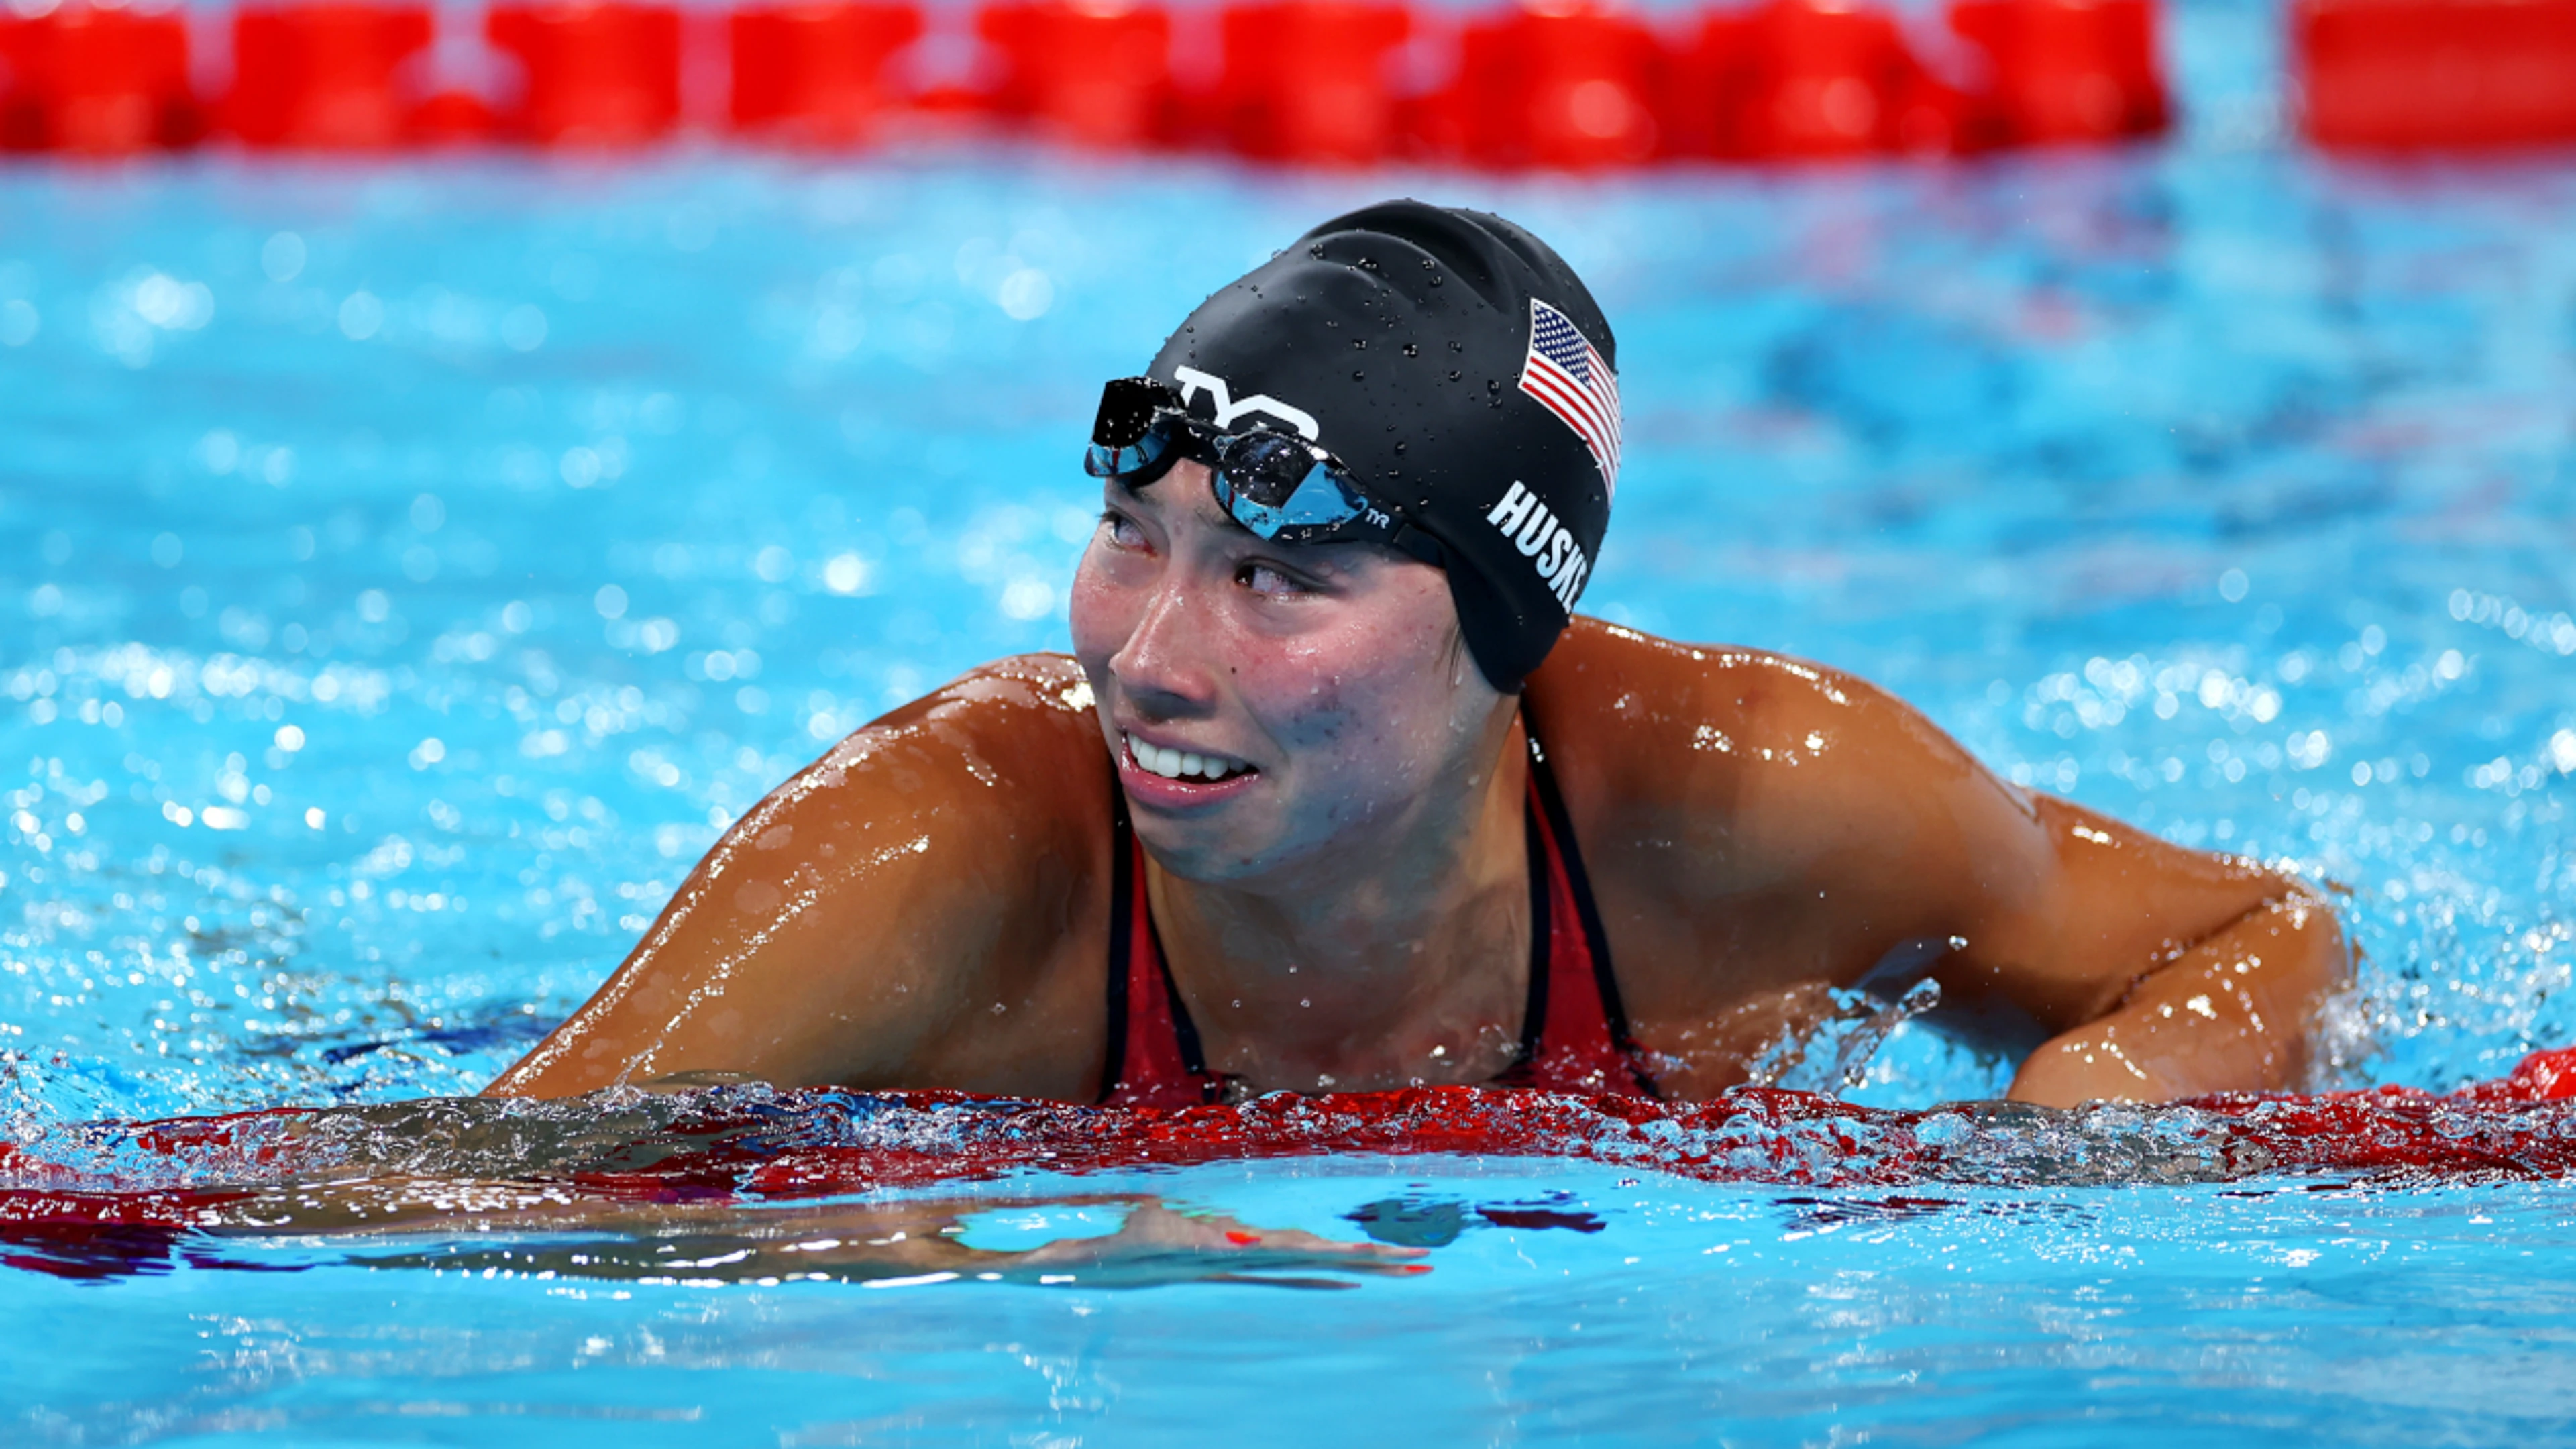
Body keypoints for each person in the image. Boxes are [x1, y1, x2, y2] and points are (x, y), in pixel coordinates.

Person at [486, 200, 2349, 1112]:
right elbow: (422, 1196)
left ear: (1507, 635)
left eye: (1275, 582)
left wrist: (2085, 1122)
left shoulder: (1759, 802)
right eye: (1134, 538)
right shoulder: (935, 856)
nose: (1144, 656)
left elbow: (2264, 932)